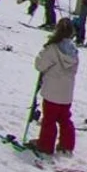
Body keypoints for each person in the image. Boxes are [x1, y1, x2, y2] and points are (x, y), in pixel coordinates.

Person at [33, 18, 81, 154]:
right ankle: (67, 144)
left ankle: (45, 145)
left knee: (49, 119)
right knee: (65, 118)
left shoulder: (52, 48)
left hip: (52, 92)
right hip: (66, 93)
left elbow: (40, 65)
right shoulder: (74, 51)